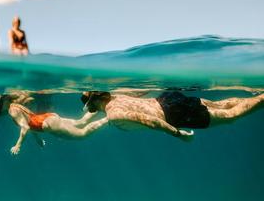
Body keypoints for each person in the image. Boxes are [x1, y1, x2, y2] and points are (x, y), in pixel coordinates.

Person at [78, 90, 264, 140]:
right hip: (167, 99)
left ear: (93, 103)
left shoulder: (114, 114)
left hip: (172, 114)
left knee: (230, 116)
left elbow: (152, 121)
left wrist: (177, 133)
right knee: (220, 104)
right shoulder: (118, 96)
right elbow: (140, 95)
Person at [7, 102, 108, 155]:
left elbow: (25, 127)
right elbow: (29, 124)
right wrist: (38, 139)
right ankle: (99, 105)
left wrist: (18, 145)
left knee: (82, 134)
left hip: (47, 124)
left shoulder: (12, 111)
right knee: (80, 122)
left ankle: (108, 119)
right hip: (48, 117)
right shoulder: (16, 106)